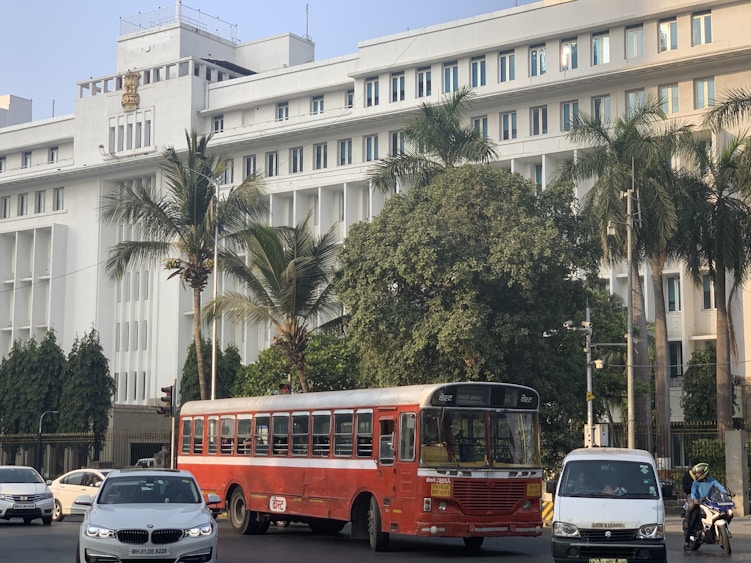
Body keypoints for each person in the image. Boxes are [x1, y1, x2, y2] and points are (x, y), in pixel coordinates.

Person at [684, 462, 730, 551]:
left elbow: (720, 487)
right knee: (693, 520)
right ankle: (686, 542)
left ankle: (722, 538)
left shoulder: (711, 480)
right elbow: (693, 492)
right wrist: (695, 499)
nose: (696, 475)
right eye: (695, 473)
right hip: (699, 503)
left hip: (709, 502)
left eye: (698, 473)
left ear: (703, 472)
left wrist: (728, 493)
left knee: (724, 513)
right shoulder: (696, 483)